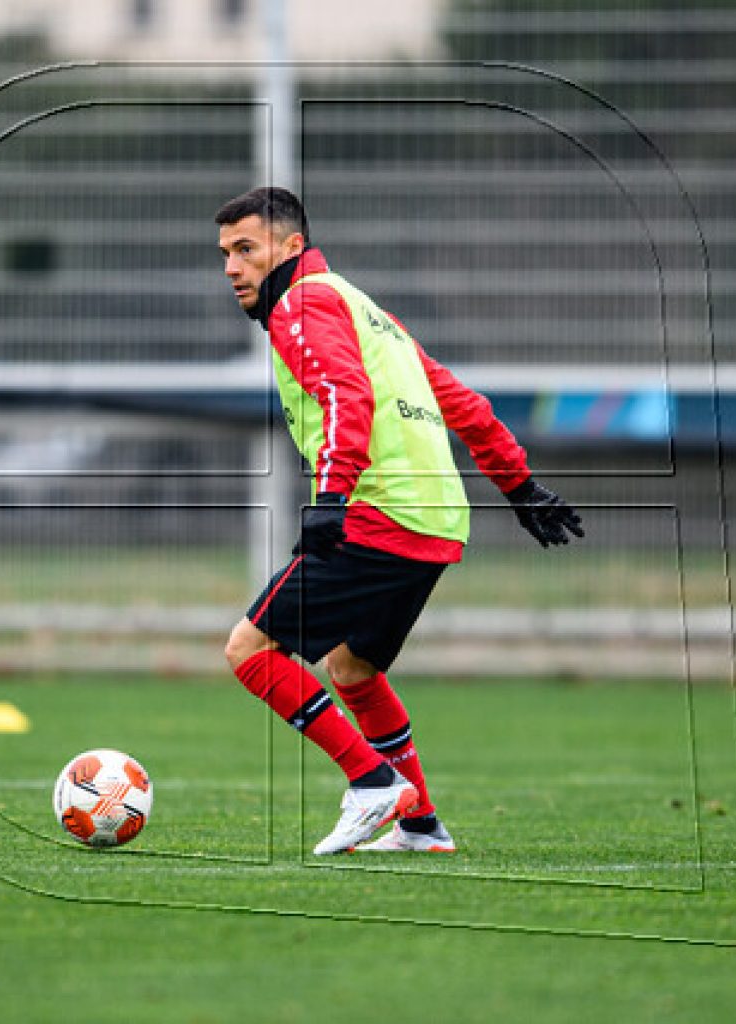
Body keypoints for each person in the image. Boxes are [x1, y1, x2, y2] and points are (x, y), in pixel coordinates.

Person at [217, 187, 583, 855]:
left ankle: (372, 783)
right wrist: (520, 485)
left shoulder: (301, 303)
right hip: (435, 523)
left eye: (246, 249)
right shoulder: (366, 310)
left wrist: (331, 499)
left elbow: (341, 395)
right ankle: (421, 825)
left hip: (378, 512)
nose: (233, 268)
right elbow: (462, 402)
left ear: (291, 247)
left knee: (251, 650)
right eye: (225, 254)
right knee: (352, 668)